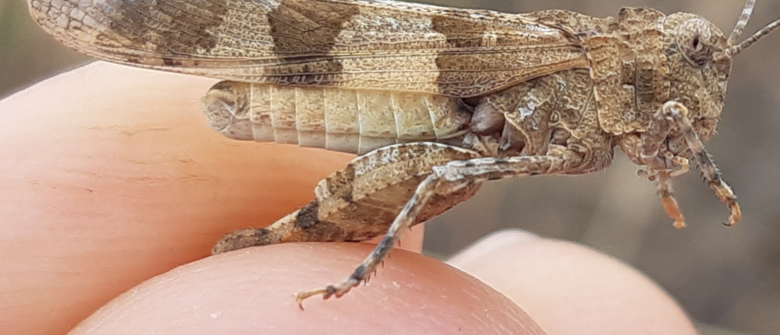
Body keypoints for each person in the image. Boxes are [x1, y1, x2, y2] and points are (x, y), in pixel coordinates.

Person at [0, 62, 696, 334]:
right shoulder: (581, 70)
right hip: (425, 110)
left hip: (457, 135)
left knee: (439, 178)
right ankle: (357, 273)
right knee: (436, 177)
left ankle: (274, 243)